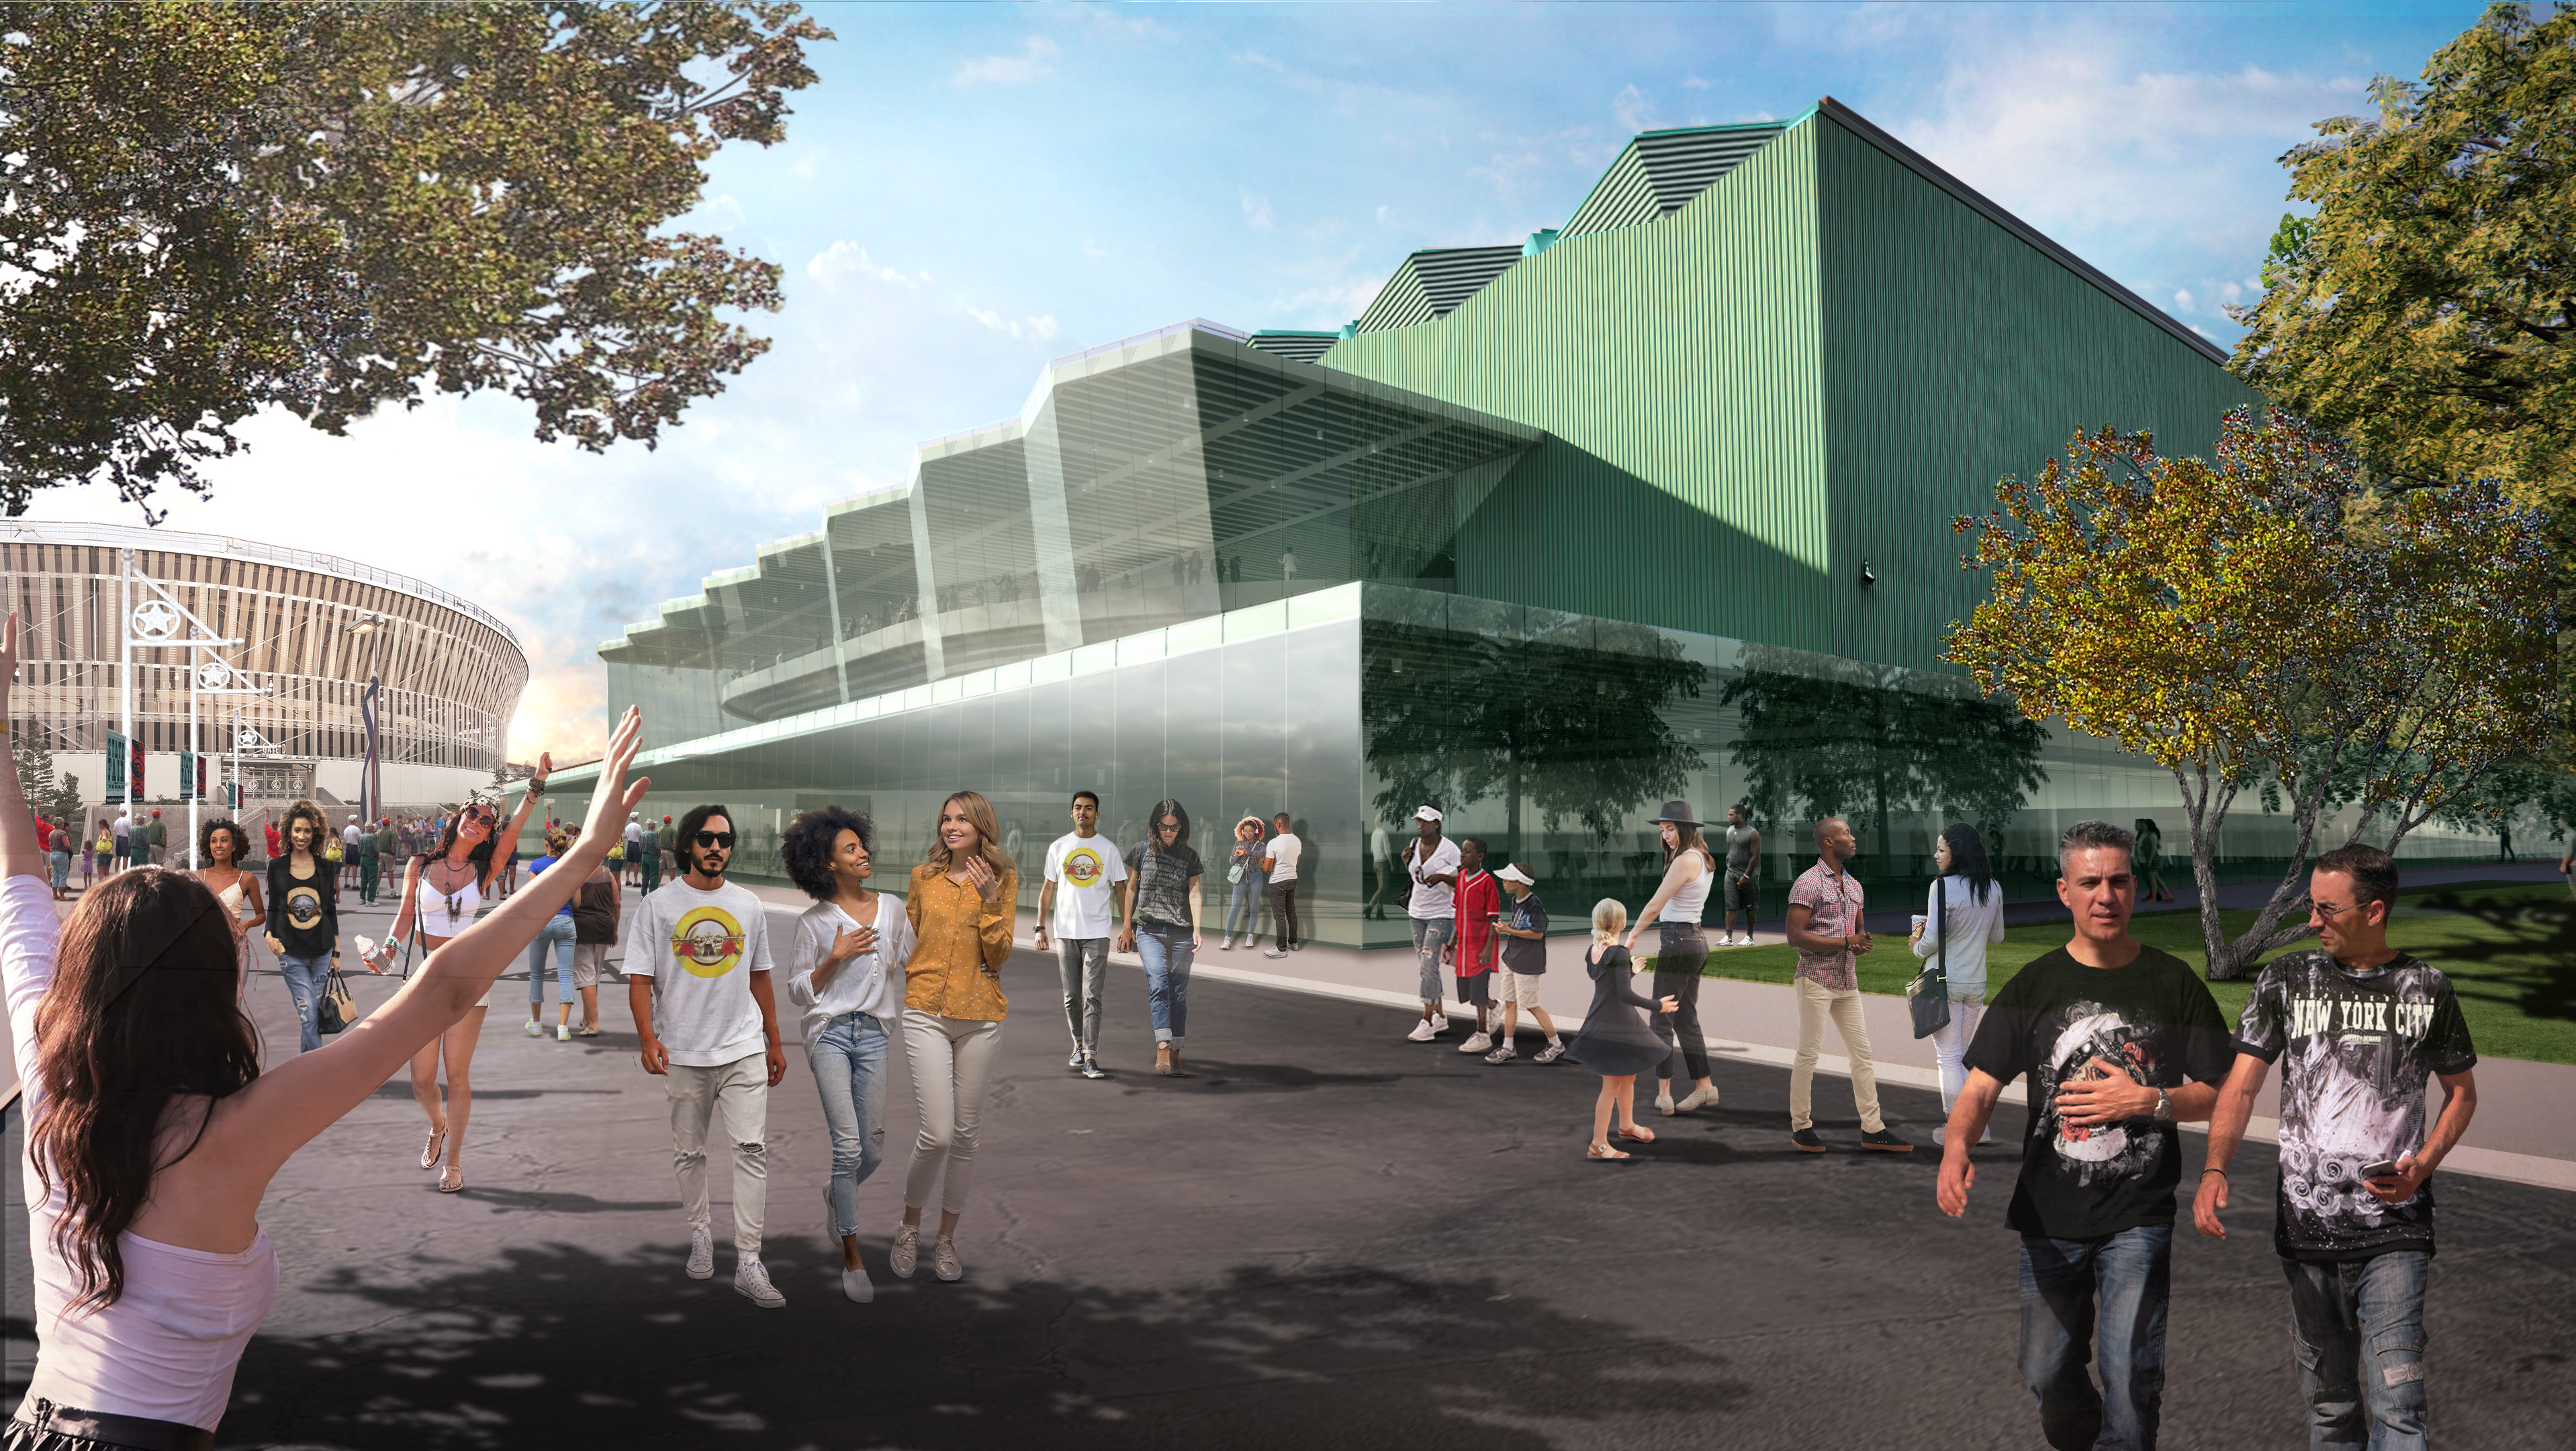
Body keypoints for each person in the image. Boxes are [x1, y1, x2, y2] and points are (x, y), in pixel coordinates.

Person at [0, 617, 645, 1451]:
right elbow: (442, 988)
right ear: (211, 983)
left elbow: (18, 886)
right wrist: (587, 848)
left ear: (81, 976)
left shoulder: (48, 1074)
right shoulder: (228, 1129)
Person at [1936, 820, 2234, 1451]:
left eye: (2120, 881)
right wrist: (1958, 1145)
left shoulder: (2172, 982)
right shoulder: (2035, 985)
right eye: (2090, 882)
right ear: (2064, 890)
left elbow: (2219, 1089)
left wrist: (2148, 1099)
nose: (2107, 896)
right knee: (2045, 1370)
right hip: (2049, 1213)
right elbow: (1982, 1086)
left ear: (2134, 887)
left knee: (2130, 1374)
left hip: (2139, 1213)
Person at [2193, 843, 2478, 1450]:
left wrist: (2422, 1166)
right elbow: (2241, 1087)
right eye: (2310, 908)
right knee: (2331, 1410)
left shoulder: (2426, 988)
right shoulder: (2285, 980)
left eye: (2327, 910)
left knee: (2401, 1413)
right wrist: (2215, 1166)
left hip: (2396, 1232)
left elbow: (2462, 1096)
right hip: (2306, 1233)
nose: (2312, 922)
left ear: (2374, 911)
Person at [629, 802, 788, 1307]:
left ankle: (748, 1260)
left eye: (725, 840)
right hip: (684, 1050)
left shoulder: (749, 905)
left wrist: (775, 1040)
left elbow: (760, 975)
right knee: (690, 1153)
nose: (717, 848)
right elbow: (640, 980)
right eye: (707, 839)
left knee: (752, 1151)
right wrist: (647, 1039)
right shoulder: (657, 906)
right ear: (687, 846)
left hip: (742, 1047)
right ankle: (701, 1234)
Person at [386, 768, 549, 1192]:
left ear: (488, 832)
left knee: (457, 1075)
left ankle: (454, 1162)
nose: (478, 821)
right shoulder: (420, 864)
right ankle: (437, 1125)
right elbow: (405, 916)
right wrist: (387, 948)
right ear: (459, 818)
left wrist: (535, 786)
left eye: (486, 820)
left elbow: (514, 831)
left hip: (468, 985)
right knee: (421, 1079)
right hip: (425, 979)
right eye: (473, 813)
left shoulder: (485, 870)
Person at [782, 805, 914, 1303]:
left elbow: (912, 959)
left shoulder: (892, 908)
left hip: (876, 1035)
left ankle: (838, 1191)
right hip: (830, 1035)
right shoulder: (815, 923)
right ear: (827, 863)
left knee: (873, 1150)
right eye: (850, 849)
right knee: (848, 1147)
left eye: (862, 845)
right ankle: (853, 1259)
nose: (864, 853)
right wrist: (833, 960)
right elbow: (798, 991)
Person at [893, 791, 1017, 1284]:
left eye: (962, 819)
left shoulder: (1004, 881)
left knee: (966, 1136)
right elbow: (911, 936)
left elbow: (1000, 954)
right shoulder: (923, 878)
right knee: (938, 1132)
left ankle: (946, 1238)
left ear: (982, 825)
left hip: (982, 1016)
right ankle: (909, 1226)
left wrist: (989, 903)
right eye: (946, 819)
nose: (951, 826)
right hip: (925, 1010)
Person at [1785, 817, 1909, 1151]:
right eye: (1847, 834)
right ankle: (1801, 1127)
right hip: (1815, 980)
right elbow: (1795, 936)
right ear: (1828, 842)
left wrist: (1861, 944)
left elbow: (1857, 934)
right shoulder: (1808, 883)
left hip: (1847, 981)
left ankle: (1873, 1129)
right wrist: (1845, 942)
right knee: (1809, 1054)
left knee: (1862, 1055)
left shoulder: (1855, 886)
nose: (1854, 839)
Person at [1913, 823, 2009, 1145]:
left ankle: (1959, 1129)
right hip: (1975, 983)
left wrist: (1915, 943)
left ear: (1956, 853)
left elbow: (1930, 943)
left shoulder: (1941, 887)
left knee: (1948, 1057)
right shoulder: (1992, 887)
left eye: (1941, 849)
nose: (1936, 855)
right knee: (1962, 1054)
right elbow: (1997, 937)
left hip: (1945, 981)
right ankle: (1978, 1127)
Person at [1624, 801, 1720, 1115]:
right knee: (1685, 1019)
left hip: (1678, 942)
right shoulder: (1703, 858)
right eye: (1663, 830)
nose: (1665, 835)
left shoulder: (1683, 862)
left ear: (1686, 829)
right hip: (1694, 941)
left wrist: (1633, 936)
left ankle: (1664, 1094)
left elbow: (1655, 905)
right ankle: (1705, 1087)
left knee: (1661, 1018)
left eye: (1671, 829)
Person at [1571, 899, 1680, 1160]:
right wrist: (1658, 1006)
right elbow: (1625, 995)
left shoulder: (1593, 950)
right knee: (1611, 1085)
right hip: (1614, 1025)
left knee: (1628, 1076)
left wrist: (1630, 971)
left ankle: (1627, 1126)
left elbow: (1608, 985)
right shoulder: (1618, 952)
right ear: (1622, 922)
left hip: (1609, 1020)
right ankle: (1598, 1145)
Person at [1034, 790, 1125, 1080]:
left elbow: (1121, 889)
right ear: (1071, 813)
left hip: (1098, 932)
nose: (1083, 812)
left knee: (1092, 995)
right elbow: (1048, 888)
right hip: (1065, 933)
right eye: (1078, 808)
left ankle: (1091, 1056)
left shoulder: (1108, 849)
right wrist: (1040, 926)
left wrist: (1127, 927)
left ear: (1097, 814)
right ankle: (1078, 1044)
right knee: (1072, 996)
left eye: (1089, 808)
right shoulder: (1058, 847)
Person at [1118, 799, 1203, 1078]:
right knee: (1159, 982)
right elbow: (1131, 888)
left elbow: (1194, 893)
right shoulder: (1140, 851)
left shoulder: (1189, 856)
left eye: (1174, 827)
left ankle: (1177, 1051)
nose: (1168, 832)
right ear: (1155, 826)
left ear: (1182, 827)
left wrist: (1198, 930)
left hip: (1181, 934)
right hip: (1149, 931)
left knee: (1178, 994)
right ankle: (1163, 1047)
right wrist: (1127, 926)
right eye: (1164, 827)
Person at [263, 801, 347, 1056]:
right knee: (309, 1012)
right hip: (290, 952)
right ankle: (322, 1070)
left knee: (310, 1016)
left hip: (322, 951)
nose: (302, 836)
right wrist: (268, 934)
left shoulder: (325, 867)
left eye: (307, 831)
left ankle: (302, 1068)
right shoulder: (277, 867)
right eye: (297, 830)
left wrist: (336, 952)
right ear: (289, 832)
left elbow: (330, 909)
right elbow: (274, 907)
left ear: (316, 834)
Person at [1485, 863, 1565, 1064]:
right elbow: (1522, 926)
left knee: (1532, 1006)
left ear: (1521, 883)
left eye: (1507, 879)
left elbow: (1538, 933)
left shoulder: (1534, 903)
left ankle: (1556, 1044)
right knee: (1510, 1003)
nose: (1503, 881)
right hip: (1512, 959)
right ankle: (1508, 1047)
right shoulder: (1516, 901)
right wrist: (1508, 927)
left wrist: (1509, 931)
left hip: (1528, 964)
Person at [1402, 804, 1460, 1042]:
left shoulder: (1450, 850)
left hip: (1441, 913)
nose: (1420, 825)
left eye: (1426, 821)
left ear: (1437, 823)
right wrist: (1407, 862)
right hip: (1417, 912)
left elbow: (1462, 882)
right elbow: (1418, 878)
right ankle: (1441, 1017)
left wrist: (1444, 877)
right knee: (1427, 967)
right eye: (1418, 821)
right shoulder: (1414, 845)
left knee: (1428, 966)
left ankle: (1426, 1021)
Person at [522, 828, 582, 1041]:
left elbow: (532, 898)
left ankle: (536, 1024)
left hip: (542, 922)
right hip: (566, 921)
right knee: (565, 975)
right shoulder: (572, 867)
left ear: (546, 844)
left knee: (537, 974)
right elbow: (577, 903)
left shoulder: (536, 866)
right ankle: (563, 1028)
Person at [195, 819, 267, 977]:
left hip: (236, 946)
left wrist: (246, 925)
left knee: (233, 1001)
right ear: (209, 846)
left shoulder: (247, 878)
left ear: (234, 846)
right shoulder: (199, 876)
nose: (218, 845)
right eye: (214, 841)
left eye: (224, 840)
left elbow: (261, 915)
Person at [1451, 836, 1503, 1053]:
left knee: (1479, 990)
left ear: (1480, 857)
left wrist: (1489, 948)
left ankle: (1482, 1035)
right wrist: (1453, 938)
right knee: (1468, 992)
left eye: (1468, 852)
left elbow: (1494, 919)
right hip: (1464, 944)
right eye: (1462, 851)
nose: (1462, 855)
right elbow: (1458, 911)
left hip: (1481, 945)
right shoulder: (1461, 878)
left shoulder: (1487, 882)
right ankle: (1495, 1006)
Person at [567, 827, 618, 1037]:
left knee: (585, 977)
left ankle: (594, 1023)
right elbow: (617, 903)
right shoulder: (608, 873)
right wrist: (614, 930)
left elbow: (574, 903)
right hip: (606, 926)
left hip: (583, 928)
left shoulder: (576, 873)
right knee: (594, 976)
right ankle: (587, 1018)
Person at [1220, 814, 1267, 950]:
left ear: (1256, 831)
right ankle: (1227, 938)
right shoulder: (1238, 843)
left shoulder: (1261, 845)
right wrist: (1236, 855)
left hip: (1256, 876)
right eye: (1245, 831)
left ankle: (1250, 936)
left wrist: (1246, 853)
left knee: (1253, 908)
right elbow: (1232, 861)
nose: (1247, 834)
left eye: (1250, 831)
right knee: (1235, 907)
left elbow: (1262, 854)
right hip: (1240, 876)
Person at [1261, 811, 1301, 957]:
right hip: (1292, 879)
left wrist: (1261, 860)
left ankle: (1281, 949)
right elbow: (1295, 862)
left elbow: (1266, 868)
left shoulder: (1274, 842)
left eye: (1275, 825)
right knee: (1291, 912)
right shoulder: (1297, 841)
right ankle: (1293, 942)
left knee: (1280, 916)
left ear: (1278, 824)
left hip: (1277, 882)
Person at [1720, 802, 1761, 946]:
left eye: (1731, 815)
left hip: (1748, 875)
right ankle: (1728, 938)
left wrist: (1747, 876)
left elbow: (1755, 857)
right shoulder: (1729, 831)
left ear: (1739, 816)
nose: (1728, 817)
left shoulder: (1753, 834)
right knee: (1730, 906)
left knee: (1749, 907)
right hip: (1731, 873)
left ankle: (1749, 937)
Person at [2134, 818, 2171, 904]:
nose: (2140, 826)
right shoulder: (2143, 834)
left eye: (2143, 824)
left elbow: (2156, 847)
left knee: (2152, 879)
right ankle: (2160, 895)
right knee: (2154, 878)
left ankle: (2155, 896)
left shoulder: (2151, 835)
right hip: (2145, 858)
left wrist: (2149, 858)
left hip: (2150, 859)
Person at [1365, 819, 1393, 920]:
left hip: (1375, 862)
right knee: (1382, 889)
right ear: (1383, 823)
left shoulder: (1374, 833)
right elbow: (1387, 851)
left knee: (1379, 889)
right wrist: (1391, 864)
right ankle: (1369, 907)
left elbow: (1372, 849)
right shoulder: (1383, 834)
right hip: (1383, 863)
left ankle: (1380, 912)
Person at [355, 814, 381, 906]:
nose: (374, 829)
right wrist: (378, 858)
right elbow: (377, 850)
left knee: (364, 879)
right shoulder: (371, 837)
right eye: (373, 827)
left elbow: (359, 850)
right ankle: (370, 900)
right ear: (370, 828)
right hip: (371, 859)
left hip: (363, 859)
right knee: (372, 880)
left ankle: (362, 898)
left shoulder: (361, 837)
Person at [623, 811, 646, 887]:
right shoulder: (638, 826)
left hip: (630, 844)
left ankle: (627, 880)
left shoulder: (627, 827)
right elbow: (641, 836)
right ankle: (636, 881)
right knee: (636, 863)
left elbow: (626, 835)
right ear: (636, 817)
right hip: (636, 845)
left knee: (629, 862)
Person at [110, 807, 130, 875]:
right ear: (124, 812)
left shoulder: (116, 821)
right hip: (125, 839)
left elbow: (115, 830)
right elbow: (130, 831)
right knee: (125, 857)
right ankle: (124, 873)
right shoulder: (127, 821)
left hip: (118, 839)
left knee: (118, 856)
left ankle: (116, 872)